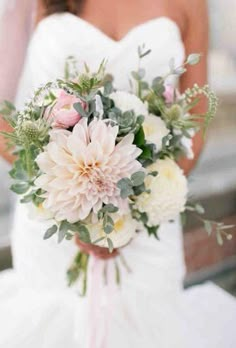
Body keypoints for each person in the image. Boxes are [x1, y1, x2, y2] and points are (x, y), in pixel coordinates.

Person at [0, 1, 235, 347]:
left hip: (144, 234)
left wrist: (129, 209)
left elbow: (195, 130)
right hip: (52, 225)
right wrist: (68, 197)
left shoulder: (190, 3)